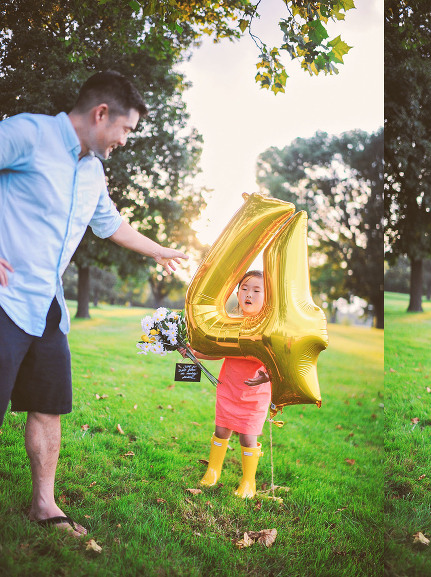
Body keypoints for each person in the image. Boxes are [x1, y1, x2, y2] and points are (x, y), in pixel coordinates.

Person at [0, 70, 188, 537]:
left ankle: (45, 505)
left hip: (46, 307)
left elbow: (110, 224)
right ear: (101, 114)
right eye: (126, 129)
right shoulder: (28, 133)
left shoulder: (92, 171)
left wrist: (160, 250)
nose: (126, 139)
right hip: (3, 300)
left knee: (49, 405)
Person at [185, 270, 272, 499]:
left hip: (255, 392)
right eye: (244, 288)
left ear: (268, 296)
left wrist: (266, 374)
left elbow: (276, 359)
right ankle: (213, 471)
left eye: (256, 290)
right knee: (221, 429)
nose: (248, 294)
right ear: (237, 292)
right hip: (229, 387)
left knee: (247, 436)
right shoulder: (230, 323)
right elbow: (220, 353)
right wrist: (195, 353)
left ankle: (248, 482)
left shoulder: (269, 327)